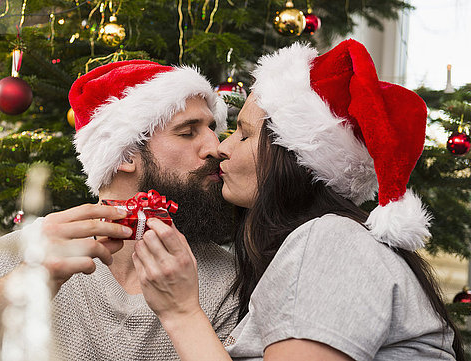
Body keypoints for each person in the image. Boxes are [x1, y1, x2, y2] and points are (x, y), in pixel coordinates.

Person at [0, 60, 239, 361]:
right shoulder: (31, 250)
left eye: (213, 128)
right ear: (126, 155)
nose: (216, 147)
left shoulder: (225, 279)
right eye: (188, 132)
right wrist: (18, 286)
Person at [133, 40, 465, 361]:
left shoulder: (330, 242)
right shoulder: (314, 246)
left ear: (290, 156)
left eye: (245, 134)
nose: (222, 147)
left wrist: (182, 313)